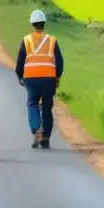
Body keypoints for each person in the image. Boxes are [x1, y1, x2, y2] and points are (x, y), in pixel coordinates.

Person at [15, 9, 64, 149]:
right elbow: (59, 61)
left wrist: (20, 76)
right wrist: (57, 76)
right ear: (44, 23)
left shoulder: (26, 40)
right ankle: (46, 137)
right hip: (49, 79)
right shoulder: (52, 40)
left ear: (32, 24)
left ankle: (36, 130)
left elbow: (20, 62)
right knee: (47, 107)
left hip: (31, 78)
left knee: (32, 103)